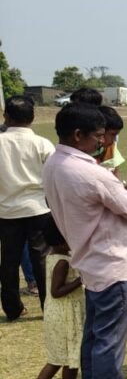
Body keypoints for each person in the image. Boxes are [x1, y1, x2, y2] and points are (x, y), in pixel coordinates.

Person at [43, 103, 127, 379]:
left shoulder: (54, 164)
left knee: (95, 340)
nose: (103, 144)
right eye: (99, 137)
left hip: (91, 260)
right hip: (111, 263)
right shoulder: (88, 171)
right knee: (109, 345)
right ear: (78, 135)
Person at [12, 223, 85, 379]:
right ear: (62, 242)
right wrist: (80, 280)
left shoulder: (56, 256)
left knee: (71, 356)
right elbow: (56, 291)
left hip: (65, 313)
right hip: (64, 314)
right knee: (57, 359)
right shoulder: (62, 261)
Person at [0, 96, 53, 319]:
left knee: (9, 261)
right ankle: (48, 306)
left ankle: (13, 308)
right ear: (32, 118)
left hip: (6, 210)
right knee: (41, 259)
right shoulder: (42, 143)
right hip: (37, 208)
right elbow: (53, 177)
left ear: (6, 116)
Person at [94, 106, 127, 178]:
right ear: (101, 131)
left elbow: (116, 171)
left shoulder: (110, 148)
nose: (115, 140)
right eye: (113, 134)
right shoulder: (83, 151)